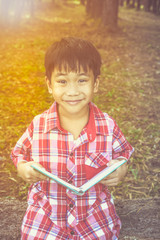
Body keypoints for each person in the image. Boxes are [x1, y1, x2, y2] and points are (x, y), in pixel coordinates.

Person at [11, 37, 134, 239]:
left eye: (82, 80)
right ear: (49, 85)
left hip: (93, 213)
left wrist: (120, 167)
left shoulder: (107, 126)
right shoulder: (39, 125)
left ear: (96, 83)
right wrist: (23, 168)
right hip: (47, 212)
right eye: (62, 81)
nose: (72, 91)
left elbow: (124, 152)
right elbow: (18, 153)